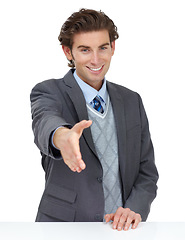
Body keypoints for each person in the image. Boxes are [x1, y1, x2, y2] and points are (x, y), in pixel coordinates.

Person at [30, 8, 158, 231]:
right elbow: (45, 122)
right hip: (62, 228)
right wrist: (63, 137)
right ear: (68, 52)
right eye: (85, 50)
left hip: (119, 230)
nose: (96, 59)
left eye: (103, 48)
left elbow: (147, 173)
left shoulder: (132, 100)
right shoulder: (49, 92)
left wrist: (134, 209)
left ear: (113, 48)